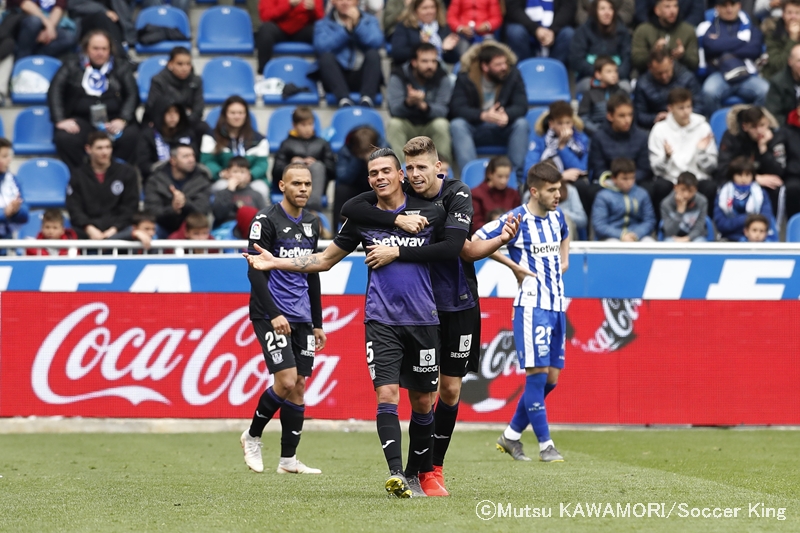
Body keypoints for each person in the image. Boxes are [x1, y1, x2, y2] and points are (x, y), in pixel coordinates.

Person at [247, 147, 446, 499]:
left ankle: (419, 473)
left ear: (401, 175)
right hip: (381, 320)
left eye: (386, 171)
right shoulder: (362, 219)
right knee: (386, 394)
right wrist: (275, 262)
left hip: (424, 319)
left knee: (423, 401)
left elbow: (453, 249)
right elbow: (323, 261)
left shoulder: (429, 211)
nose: (380, 178)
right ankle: (397, 474)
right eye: (373, 174)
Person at [339, 137, 521, 495]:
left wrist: (395, 252)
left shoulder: (457, 193)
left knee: (450, 390)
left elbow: (459, 249)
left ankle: (431, 468)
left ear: (440, 167)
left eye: (422, 166)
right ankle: (415, 472)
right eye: (410, 167)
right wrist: (394, 220)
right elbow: (352, 207)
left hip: (459, 302)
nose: (415, 174)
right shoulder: (403, 194)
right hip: (422, 308)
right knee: (422, 394)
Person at [475, 162, 570, 463]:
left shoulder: (558, 218)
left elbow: (565, 235)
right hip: (532, 307)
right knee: (537, 376)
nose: (558, 195)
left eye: (558, 189)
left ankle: (511, 436)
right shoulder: (516, 218)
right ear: (534, 191)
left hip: (556, 305)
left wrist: (563, 261)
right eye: (552, 190)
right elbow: (478, 239)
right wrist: (513, 266)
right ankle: (546, 446)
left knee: (551, 379)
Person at [239, 162, 325, 476]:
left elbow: (312, 272)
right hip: (270, 312)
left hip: (302, 315)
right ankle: (252, 436)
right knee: (286, 380)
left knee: (299, 386)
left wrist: (317, 321)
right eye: (296, 183)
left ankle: (288, 460)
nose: (303, 189)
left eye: (307, 184)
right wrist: (274, 313)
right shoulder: (265, 220)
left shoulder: (313, 223)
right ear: (282, 186)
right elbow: (255, 269)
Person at [48, 30, 139, 169]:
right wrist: (60, 120)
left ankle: (115, 174)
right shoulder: (71, 65)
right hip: (81, 120)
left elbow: (133, 95)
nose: (100, 53)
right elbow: (55, 91)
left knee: (132, 135)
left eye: (104, 49)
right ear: (86, 49)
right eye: (95, 48)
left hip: (113, 119)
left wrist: (123, 119)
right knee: (64, 138)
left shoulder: (121, 67)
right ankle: (85, 176)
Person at [449, 43, 528, 183]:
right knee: (457, 125)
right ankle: (471, 179)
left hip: (502, 127)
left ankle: (515, 180)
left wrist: (507, 115)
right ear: (485, 67)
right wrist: (482, 115)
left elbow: (521, 105)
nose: (504, 67)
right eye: (498, 65)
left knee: (521, 124)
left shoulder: (513, 74)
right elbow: (456, 108)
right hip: (476, 127)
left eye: (505, 63)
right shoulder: (465, 77)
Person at [647, 87, 718, 211]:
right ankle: (662, 226)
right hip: (671, 179)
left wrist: (701, 152)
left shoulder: (703, 128)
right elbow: (656, 170)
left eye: (688, 107)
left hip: (697, 178)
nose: (686, 112)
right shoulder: (659, 130)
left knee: (710, 187)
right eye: (681, 108)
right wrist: (666, 158)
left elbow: (711, 168)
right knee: (660, 186)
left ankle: (707, 226)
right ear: (670, 109)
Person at [584, 93, 650, 217]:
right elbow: (599, 169)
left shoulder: (641, 137)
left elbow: (644, 168)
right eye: (622, 116)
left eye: (630, 115)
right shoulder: (599, 137)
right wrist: (617, 182)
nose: (627, 120)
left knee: (652, 188)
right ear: (610, 116)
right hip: (610, 182)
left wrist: (628, 180)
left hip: (635, 181)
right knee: (591, 192)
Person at [698, 0, 769, 116]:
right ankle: (716, 128)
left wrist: (723, 48)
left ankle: (753, 125)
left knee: (766, 91)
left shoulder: (750, 27)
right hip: (720, 74)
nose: (729, 9)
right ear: (717, 8)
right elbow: (711, 46)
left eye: (732, 4)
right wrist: (741, 41)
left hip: (746, 74)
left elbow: (754, 49)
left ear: (739, 6)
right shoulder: (708, 27)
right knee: (708, 92)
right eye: (724, 5)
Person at [387, 42, 454, 165]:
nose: (430, 66)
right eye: (425, 61)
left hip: (429, 123)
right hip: (407, 123)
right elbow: (393, 109)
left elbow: (444, 110)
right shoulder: (399, 75)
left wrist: (423, 105)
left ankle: (442, 171)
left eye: (434, 61)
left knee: (442, 124)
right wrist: (409, 102)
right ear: (414, 62)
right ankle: (400, 172)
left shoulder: (442, 76)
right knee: (394, 124)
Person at [66, 131, 139, 240]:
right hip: (86, 232)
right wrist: (89, 228)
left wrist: (113, 230)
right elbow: (74, 208)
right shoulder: (78, 175)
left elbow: (130, 207)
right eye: (99, 148)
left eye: (108, 147)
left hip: (119, 231)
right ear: (88, 149)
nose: (105, 152)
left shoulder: (127, 173)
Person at [312, 0, 384, 108]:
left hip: (362, 75)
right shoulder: (322, 24)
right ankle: (343, 99)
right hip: (337, 77)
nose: (345, 2)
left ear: (357, 1)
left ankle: (367, 99)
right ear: (333, 2)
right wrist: (346, 31)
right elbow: (321, 47)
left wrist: (358, 25)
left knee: (373, 54)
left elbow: (377, 42)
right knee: (325, 58)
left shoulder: (370, 20)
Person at [716, 105, 787, 213]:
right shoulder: (732, 137)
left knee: (776, 188)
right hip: (737, 181)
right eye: (754, 127)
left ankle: (772, 227)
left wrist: (763, 149)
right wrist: (755, 179)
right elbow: (724, 169)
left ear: (767, 122)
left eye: (762, 125)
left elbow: (779, 172)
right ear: (745, 127)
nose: (759, 131)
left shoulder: (775, 136)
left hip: (765, 182)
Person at [200, 96, 270, 202]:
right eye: (232, 113)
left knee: (261, 189)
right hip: (223, 179)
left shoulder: (259, 139)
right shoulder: (211, 137)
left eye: (241, 113)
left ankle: (258, 219)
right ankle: (223, 218)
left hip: (251, 180)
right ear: (225, 115)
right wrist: (221, 173)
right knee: (220, 188)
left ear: (246, 115)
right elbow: (207, 161)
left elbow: (262, 164)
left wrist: (249, 175)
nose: (237, 116)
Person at [272, 107, 335, 211]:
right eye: (303, 125)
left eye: (310, 124)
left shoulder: (322, 144)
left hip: (316, 189)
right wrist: (292, 164)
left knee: (317, 166)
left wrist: (317, 163)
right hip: (291, 191)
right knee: (295, 165)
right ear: (294, 126)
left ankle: (311, 209)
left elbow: (333, 172)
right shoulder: (286, 144)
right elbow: (276, 172)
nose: (307, 128)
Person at [145, 144, 213, 237]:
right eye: (186, 156)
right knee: (149, 232)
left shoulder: (202, 181)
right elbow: (151, 212)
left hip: (192, 230)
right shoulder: (156, 180)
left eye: (192, 155)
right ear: (173, 160)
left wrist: (185, 203)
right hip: (163, 227)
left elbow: (202, 211)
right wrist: (172, 209)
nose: (191, 159)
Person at [569, 0, 632, 95]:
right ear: (595, 11)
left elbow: (628, 59)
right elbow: (576, 60)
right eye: (602, 9)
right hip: (590, 77)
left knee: (626, 87)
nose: (607, 13)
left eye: (610, 9)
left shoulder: (622, 32)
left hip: (616, 78)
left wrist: (614, 74)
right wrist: (600, 74)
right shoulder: (583, 31)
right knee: (589, 86)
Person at [634, 48, 703, 130]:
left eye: (667, 71)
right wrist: (655, 118)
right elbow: (639, 115)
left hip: (686, 123)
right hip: (657, 127)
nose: (664, 76)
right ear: (650, 67)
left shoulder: (687, 78)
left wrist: (678, 115)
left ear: (671, 62)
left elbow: (699, 106)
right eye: (659, 73)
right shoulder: (642, 84)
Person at [525, 100, 590, 185]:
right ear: (551, 124)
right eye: (560, 123)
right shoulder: (540, 140)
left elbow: (582, 169)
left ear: (573, 122)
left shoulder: (581, 140)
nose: (564, 127)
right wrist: (560, 175)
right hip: (546, 183)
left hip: (571, 183)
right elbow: (529, 169)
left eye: (568, 123)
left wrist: (562, 147)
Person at [591, 157, 656, 241]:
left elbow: (649, 220)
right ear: (614, 178)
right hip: (611, 237)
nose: (629, 182)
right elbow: (599, 225)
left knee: (649, 242)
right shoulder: (603, 196)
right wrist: (621, 235)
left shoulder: (642, 194)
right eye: (624, 179)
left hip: (637, 236)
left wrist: (635, 234)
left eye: (632, 178)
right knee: (612, 244)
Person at [714, 156, 778, 241]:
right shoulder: (722, 194)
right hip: (730, 239)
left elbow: (766, 219)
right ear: (732, 175)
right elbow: (721, 224)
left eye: (747, 174)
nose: (743, 178)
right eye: (739, 174)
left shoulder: (761, 194)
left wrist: (751, 230)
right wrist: (746, 219)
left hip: (757, 239)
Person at [143, 47, 204, 130]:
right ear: (170, 64)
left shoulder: (196, 81)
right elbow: (153, 109)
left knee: (203, 127)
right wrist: (184, 112)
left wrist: (181, 120)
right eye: (180, 64)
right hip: (162, 124)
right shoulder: (158, 81)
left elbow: (198, 110)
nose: (185, 68)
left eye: (188, 64)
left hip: (188, 123)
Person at [137, 102, 199, 184]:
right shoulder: (148, 135)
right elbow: (143, 164)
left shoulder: (188, 134)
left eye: (176, 112)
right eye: (168, 112)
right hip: (157, 181)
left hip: (187, 181)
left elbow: (196, 159)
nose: (172, 116)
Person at [631, 0, 699, 74]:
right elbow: (636, 61)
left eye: (675, 6)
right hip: (650, 75)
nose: (673, 11)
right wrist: (654, 53)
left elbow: (694, 63)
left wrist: (683, 56)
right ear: (657, 10)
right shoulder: (643, 30)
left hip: (680, 76)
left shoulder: (688, 30)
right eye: (667, 7)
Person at [333, 126, 382, 227]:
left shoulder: (383, 148)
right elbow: (343, 177)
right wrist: (357, 160)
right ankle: (336, 229)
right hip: (353, 186)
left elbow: (388, 174)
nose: (365, 155)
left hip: (374, 186)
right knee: (341, 190)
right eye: (362, 152)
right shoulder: (346, 150)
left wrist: (372, 162)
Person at [256, 0, 324, 73]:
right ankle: (262, 72)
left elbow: (322, 19)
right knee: (265, 30)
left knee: (320, 32)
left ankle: (322, 72)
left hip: (303, 28)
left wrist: (313, 10)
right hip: (278, 28)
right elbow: (265, 16)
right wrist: (288, 5)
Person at [503, 0, 577, 65]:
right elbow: (514, 9)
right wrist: (536, 30)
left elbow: (568, 8)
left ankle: (553, 71)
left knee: (568, 34)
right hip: (526, 31)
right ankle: (524, 71)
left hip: (555, 32)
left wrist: (553, 31)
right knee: (516, 32)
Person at [390, 0, 463, 66]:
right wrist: (420, 45)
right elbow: (397, 54)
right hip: (412, 71)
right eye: (425, 8)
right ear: (415, 10)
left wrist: (446, 50)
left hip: (438, 70)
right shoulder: (405, 26)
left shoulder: (442, 26)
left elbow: (454, 59)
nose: (430, 11)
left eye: (432, 7)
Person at [578, 56, 628, 137]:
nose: (614, 75)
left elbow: (630, 116)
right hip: (596, 135)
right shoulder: (589, 94)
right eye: (609, 72)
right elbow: (583, 119)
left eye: (615, 71)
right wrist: (598, 132)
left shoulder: (622, 93)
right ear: (598, 75)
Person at [9, 0, 77, 59]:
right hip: (21, 20)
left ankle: (36, 62)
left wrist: (49, 29)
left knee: (67, 38)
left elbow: (59, 7)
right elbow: (24, 4)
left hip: (47, 24)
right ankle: (20, 62)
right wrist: (48, 25)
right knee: (34, 22)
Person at [68, 0, 136, 58]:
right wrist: (104, 11)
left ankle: (128, 47)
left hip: (112, 22)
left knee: (111, 20)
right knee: (101, 18)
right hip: (85, 22)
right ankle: (120, 56)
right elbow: (73, 4)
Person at [212, 157, 267, 228]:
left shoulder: (256, 195)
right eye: (235, 172)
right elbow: (219, 215)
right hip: (225, 229)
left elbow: (262, 218)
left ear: (248, 174)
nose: (238, 175)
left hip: (247, 229)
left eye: (242, 172)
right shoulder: (221, 193)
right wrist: (229, 191)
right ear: (228, 173)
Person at [471, 155, 521, 230]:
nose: (503, 181)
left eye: (507, 176)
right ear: (489, 174)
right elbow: (475, 224)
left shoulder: (513, 194)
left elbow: (518, 220)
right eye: (500, 176)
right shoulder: (476, 194)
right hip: (484, 238)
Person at [660, 171, 710, 241]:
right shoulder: (666, 203)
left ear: (696, 190)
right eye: (683, 190)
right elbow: (669, 232)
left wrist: (687, 238)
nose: (686, 195)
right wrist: (680, 211)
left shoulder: (702, 201)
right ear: (675, 187)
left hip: (694, 237)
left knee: (700, 243)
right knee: (668, 243)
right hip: (673, 237)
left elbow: (699, 228)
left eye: (690, 191)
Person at [761, 0, 800, 80]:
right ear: (783, 14)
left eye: (797, 13)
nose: (793, 17)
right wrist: (792, 39)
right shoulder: (773, 32)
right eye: (789, 13)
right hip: (777, 80)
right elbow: (778, 65)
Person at [0, 138, 29, 243]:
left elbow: (25, 213)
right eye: (4, 156)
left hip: (6, 240)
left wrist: (16, 210)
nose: (9, 160)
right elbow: (5, 213)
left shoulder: (14, 180)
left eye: (9, 156)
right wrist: (4, 214)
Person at [766, 43, 800, 125]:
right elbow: (774, 114)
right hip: (787, 127)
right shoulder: (778, 82)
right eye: (799, 61)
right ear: (790, 62)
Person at [633, 0, 706, 27]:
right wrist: (653, 29)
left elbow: (697, 13)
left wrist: (680, 29)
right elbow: (640, 12)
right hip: (653, 25)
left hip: (684, 26)